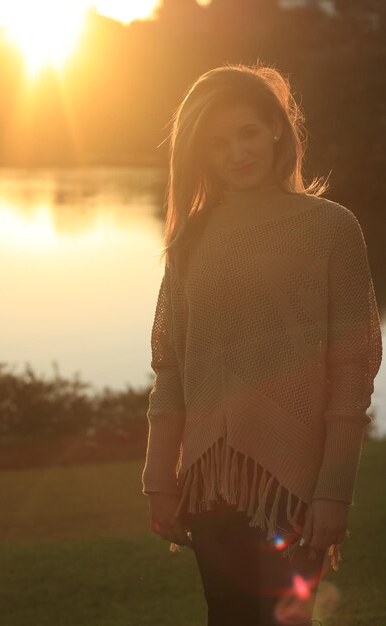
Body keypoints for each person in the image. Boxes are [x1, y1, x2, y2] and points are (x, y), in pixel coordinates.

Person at [141, 62, 383, 626]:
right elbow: (170, 367)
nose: (237, 152)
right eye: (218, 143)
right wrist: (159, 481)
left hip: (294, 487)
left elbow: (353, 370)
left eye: (248, 132)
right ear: (201, 154)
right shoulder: (190, 239)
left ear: (275, 128)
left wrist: (333, 493)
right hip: (207, 486)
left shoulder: (332, 228)